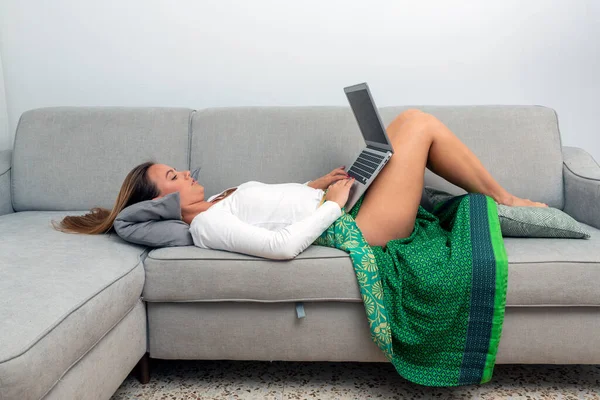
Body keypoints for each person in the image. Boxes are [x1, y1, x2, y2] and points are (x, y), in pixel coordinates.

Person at [53, 109, 547, 258]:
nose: (183, 172)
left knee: (400, 127)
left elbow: (277, 203)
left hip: (343, 204)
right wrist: (332, 204)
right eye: (171, 176)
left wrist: (316, 184)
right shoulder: (208, 228)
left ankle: (499, 195)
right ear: (159, 201)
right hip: (357, 227)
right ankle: (502, 197)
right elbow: (282, 246)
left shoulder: (220, 198)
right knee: (417, 123)